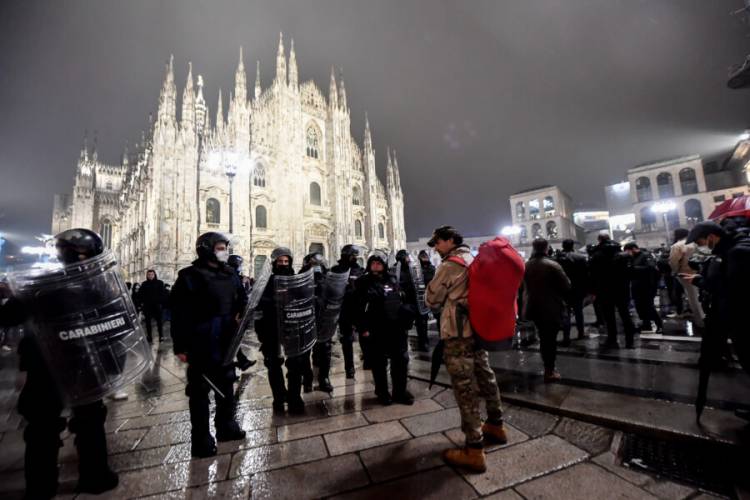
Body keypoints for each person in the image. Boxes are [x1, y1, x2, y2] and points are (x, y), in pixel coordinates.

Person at [0, 229, 119, 498]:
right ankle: (96, 476)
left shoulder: (41, 284)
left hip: (46, 365)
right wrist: (113, 365)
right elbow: (117, 328)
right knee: (89, 420)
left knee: (43, 427)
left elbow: (8, 317)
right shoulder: (102, 287)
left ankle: (41, 488)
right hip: (86, 365)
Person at [425, 226, 505, 473]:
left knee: (464, 387)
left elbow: (432, 299)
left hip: (459, 334)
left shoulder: (450, 265)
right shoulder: (473, 258)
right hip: (479, 330)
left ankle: (474, 448)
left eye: (437, 242)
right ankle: (496, 424)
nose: (435, 248)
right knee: (486, 375)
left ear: (449, 241)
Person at [170, 232, 248, 457]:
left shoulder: (231, 273)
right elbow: (179, 313)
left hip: (226, 336)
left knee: (227, 383)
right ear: (206, 249)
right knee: (200, 390)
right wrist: (180, 346)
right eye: (220, 247)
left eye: (225, 247)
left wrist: (241, 314)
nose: (224, 251)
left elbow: (241, 298)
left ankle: (226, 426)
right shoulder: (189, 276)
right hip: (201, 338)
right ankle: (201, 439)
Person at [683, 221, 750, 375]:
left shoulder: (737, 252)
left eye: (700, 242)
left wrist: (698, 281)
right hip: (731, 311)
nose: (700, 246)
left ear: (711, 237)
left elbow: (731, 287)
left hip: (740, 315)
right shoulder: (727, 250)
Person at [354, 253, 414, 406]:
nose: (375, 265)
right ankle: (382, 392)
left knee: (400, 360)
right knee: (379, 362)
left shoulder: (393, 279)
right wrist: (363, 328)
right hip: (376, 327)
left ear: (384, 264)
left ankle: (399, 392)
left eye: (379, 263)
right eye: (373, 263)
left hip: (395, 326)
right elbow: (356, 307)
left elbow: (402, 298)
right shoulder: (363, 282)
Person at [254, 247, 308, 413]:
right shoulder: (266, 282)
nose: (283, 264)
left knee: (295, 364)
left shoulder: (296, 280)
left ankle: (295, 397)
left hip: (292, 328)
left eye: (286, 261)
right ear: (274, 263)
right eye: (280, 261)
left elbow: (304, 301)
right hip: (271, 328)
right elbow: (258, 306)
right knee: (273, 364)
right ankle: (278, 397)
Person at [524, 238, 571, 382]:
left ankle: (548, 367)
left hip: (534, 307)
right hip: (551, 308)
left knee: (544, 338)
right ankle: (549, 370)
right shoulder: (553, 265)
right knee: (550, 340)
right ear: (547, 248)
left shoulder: (526, 265)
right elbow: (567, 285)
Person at [589, 232, 637, 348]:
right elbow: (630, 272)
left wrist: (593, 290)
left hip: (604, 289)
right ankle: (629, 341)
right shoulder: (623, 255)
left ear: (599, 240)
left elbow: (593, 275)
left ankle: (612, 339)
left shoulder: (597, 255)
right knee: (625, 314)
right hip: (622, 288)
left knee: (609, 316)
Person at [299, 253, 334, 393]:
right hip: (306, 319)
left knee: (325, 350)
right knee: (305, 352)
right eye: (313, 264)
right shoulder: (300, 278)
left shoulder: (327, 278)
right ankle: (307, 380)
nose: (316, 267)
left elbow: (335, 295)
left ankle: (324, 378)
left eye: (318, 264)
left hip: (323, 320)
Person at [330, 245, 365, 379]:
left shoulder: (359, 270)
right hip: (344, 310)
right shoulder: (336, 270)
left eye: (356, 256)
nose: (355, 258)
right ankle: (349, 367)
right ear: (346, 255)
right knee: (347, 339)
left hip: (359, 310)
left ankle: (366, 359)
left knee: (364, 335)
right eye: (353, 255)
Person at [623, 242, 663, 334]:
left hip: (647, 285)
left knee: (649, 306)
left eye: (628, 251)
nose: (627, 254)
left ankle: (659, 325)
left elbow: (650, 268)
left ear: (633, 249)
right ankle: (646, 324)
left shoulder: (645, 255)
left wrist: (633, 268)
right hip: (636, 285)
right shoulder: (632, 258)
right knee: (639, 306)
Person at [226, 254, 256, 372]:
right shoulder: (233, 276)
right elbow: (241, 296)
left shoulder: (229, 274)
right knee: (232, 339)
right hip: (233, 314)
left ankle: (242, 361)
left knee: (233, 340)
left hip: (231, 313)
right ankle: (236, 363)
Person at [669, 228, 705, 329]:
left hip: (685, 274)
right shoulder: (696, 242)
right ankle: (707, 318)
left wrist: (675, 271)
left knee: (693, 298)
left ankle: (701, 322)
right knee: (703, 296)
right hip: (700, 272)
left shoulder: (677, 246)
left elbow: (673, 262)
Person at [556, 239, 588, 345]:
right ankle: (581, 333)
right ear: (573, 245)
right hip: (578, 289)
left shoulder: (557, 258)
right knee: (579, 312)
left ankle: (566, 337)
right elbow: (586, 275)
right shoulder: (580, 258)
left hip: (563, 289)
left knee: (566, 314)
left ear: (563, 245)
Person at [137, 269, 167, 343]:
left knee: (159, 322)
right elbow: (140, 295)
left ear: (154, 275)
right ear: (147, 275)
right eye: (149, 275)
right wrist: (141, 304)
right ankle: (149, 336)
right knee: (148, 323)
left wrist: (161, 303)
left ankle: (161, 336)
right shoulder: (144, 284)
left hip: (157, 306)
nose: (150, 276)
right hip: (147, 306)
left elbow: (163, 294)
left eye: (152, 274)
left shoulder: (160, 283)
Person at [415, 250, 436, 351]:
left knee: (426, 321)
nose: (424, 259)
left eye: (425, 257)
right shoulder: (416, 270)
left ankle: (425, 342)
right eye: (422, 257)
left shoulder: (432, 268)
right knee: (421, 323)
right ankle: (423, 342)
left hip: (430, 297)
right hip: (420, 299)